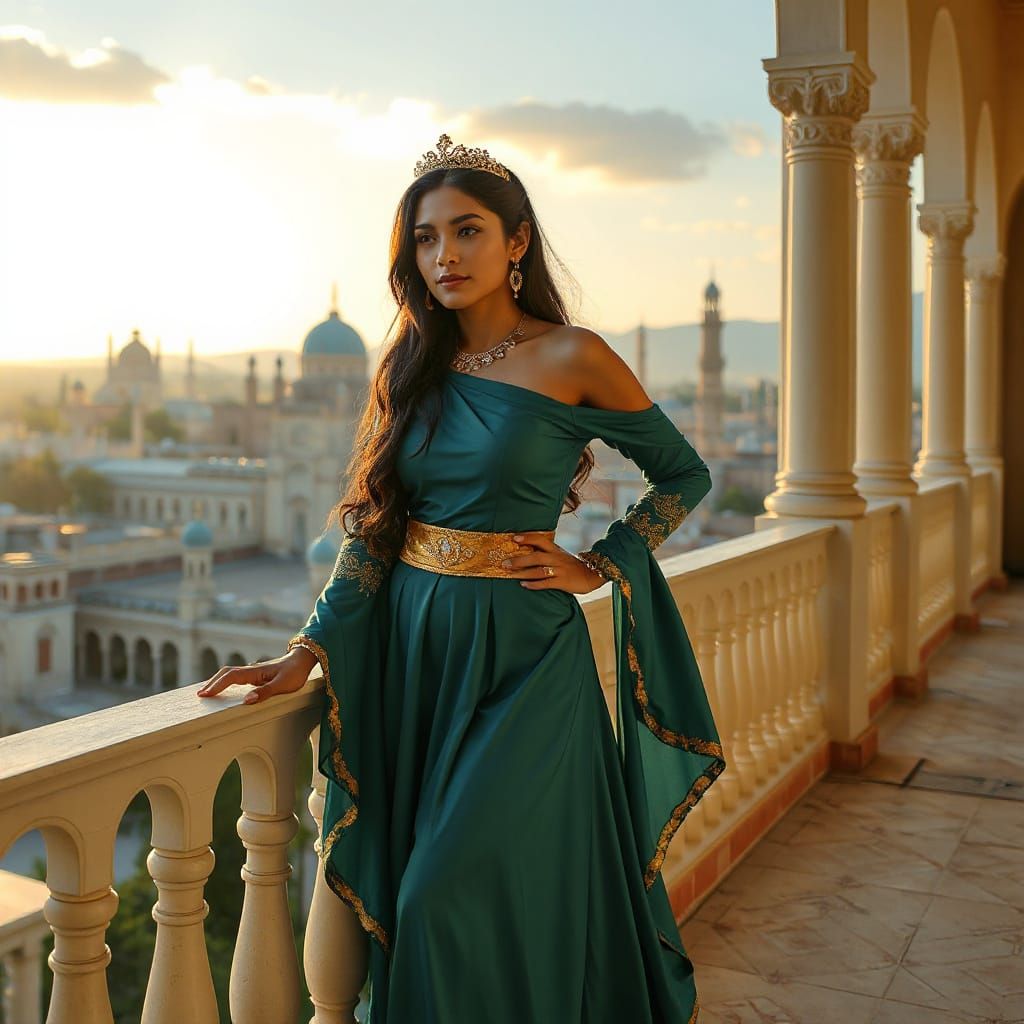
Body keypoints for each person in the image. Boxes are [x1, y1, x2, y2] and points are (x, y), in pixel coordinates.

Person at [198, 132, 725, 1023]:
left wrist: (600, 565)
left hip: (524, 660)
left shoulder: (573, 356)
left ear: (517, 242)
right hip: (417, 653)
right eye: (426, 238)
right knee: (436, 896)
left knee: (443, 894)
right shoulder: (411, 366)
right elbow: (373, 528)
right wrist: (307, 649)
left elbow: (684, 474)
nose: (445, 255)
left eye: (468, 231)